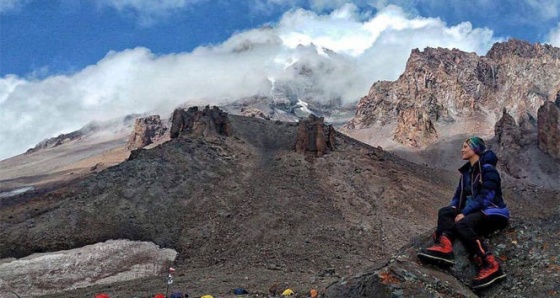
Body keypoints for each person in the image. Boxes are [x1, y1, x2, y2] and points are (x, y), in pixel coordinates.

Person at [417, 136, 510, 290]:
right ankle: (445, 247)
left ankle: (490, 264)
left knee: (463, 223)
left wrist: (464, 213)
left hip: (493, 212)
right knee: (445, 212)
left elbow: (487, 197)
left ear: (475, 150)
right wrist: (453, 210)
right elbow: (457, 198)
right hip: (476, 211)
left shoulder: (488, 170)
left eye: (465, 146)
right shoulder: (466, 174)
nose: (462, 149)